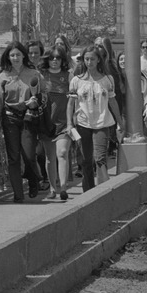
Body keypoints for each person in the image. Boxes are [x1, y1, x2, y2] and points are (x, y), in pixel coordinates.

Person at [66, 44, 124, 192]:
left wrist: (119, 120)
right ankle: (88, 191)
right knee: (85, 160)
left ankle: (103, 190)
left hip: (102, 123)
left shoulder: (106, 79)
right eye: (86, 59)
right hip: (83, 123)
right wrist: (69, 124)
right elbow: (71, 104)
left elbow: (112, 100)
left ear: (98, 60)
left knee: (100, 158)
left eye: (92, 59)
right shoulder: (76, 80)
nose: (89, 62)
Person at [0, 41, 45, 202]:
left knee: (29, 155)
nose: (15, 58)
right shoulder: (3, 76)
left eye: (18, 54)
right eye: (12, 55)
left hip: (28, 117)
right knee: (13, 157)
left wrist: (35, 102)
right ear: (8, 57)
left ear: (24, 55)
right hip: (10, 118)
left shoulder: (33, 74)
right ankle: (18, 194)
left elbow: (43, 96)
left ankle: (34, 180)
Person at [38, 45, 72, 200]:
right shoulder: (41, 75)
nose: (55, 61)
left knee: (62, 153)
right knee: (50, 157)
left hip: (64, 122)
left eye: (58, 58)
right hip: (47, 122)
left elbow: (73, 99)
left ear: (62, 60)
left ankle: (63, 188)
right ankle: (52, 188)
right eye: (51, 58)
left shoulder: (68, 75)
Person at [26, 40, 50, 189]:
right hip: (26, 115)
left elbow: (47, 92)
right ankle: (35, 180)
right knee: (29, 151)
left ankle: (45, 177)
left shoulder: (45, 71)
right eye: (30, 52)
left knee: (41, 151)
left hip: (42, 115)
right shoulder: (22, 71)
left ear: (41, 54)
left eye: (36, 52)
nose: (33, 55)